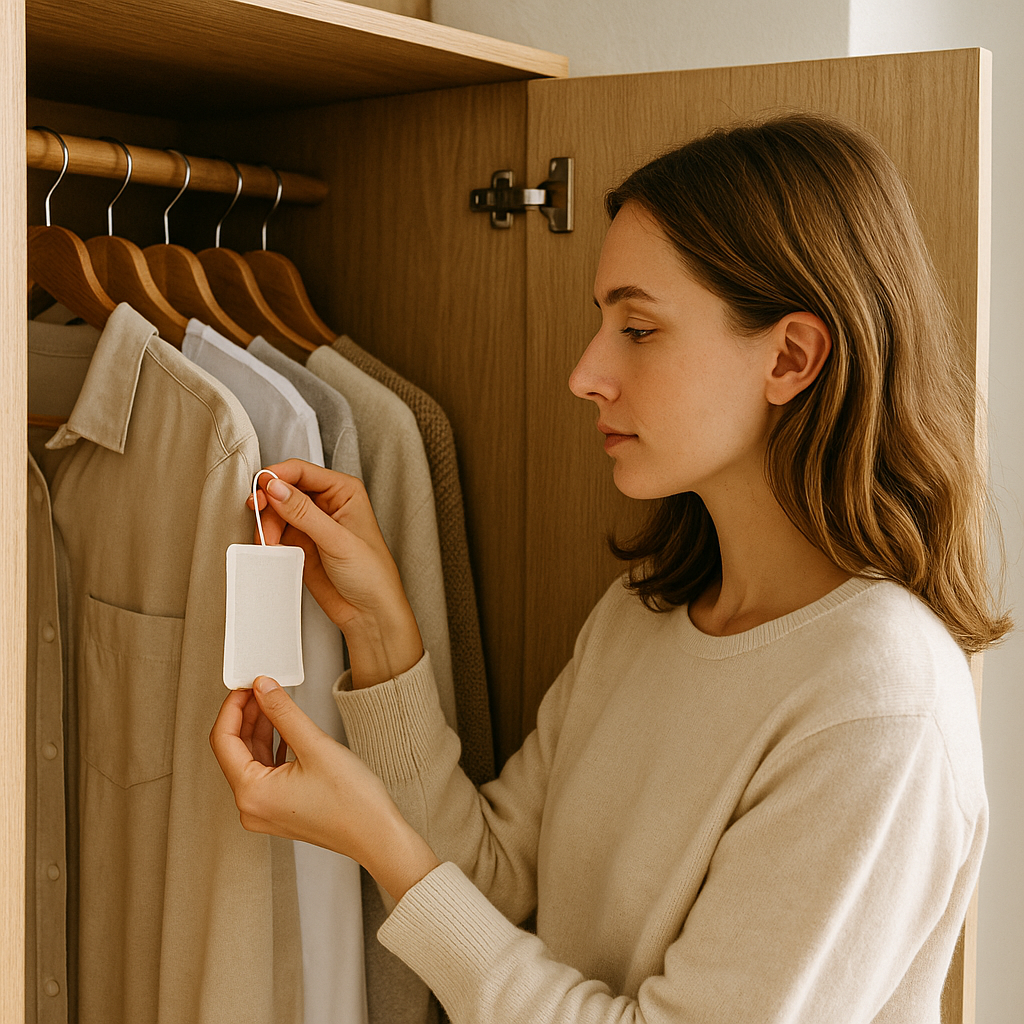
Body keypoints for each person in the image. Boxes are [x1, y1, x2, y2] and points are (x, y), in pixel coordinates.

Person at [211, 111, 1010, 1023]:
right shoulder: (643, 615)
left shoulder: (879, 704)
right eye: (603, 322)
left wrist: (384, 847)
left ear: (791, 356)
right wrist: (379, 633)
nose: (586, 373)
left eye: (638, 328)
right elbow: (494, 882)